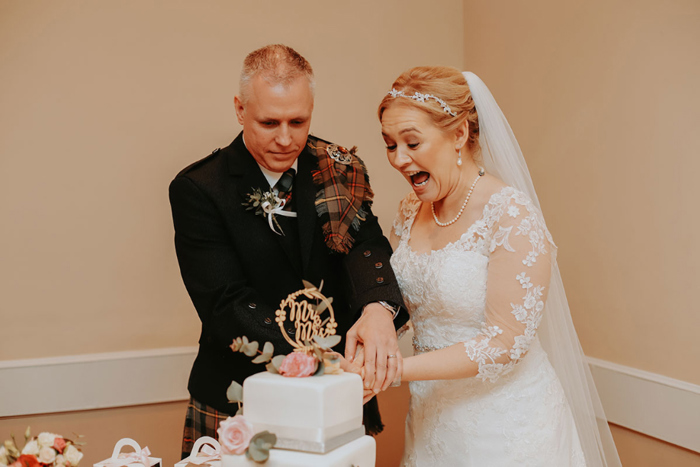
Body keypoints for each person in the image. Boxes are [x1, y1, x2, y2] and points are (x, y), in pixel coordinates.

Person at [372, 67, 621, 465]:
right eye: (389, 145)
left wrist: (393, 370)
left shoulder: (510, 214)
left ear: (459, 135)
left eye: (412, 142)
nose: (399, 160)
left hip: (506, 429)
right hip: (432, 421)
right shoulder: (410, 211)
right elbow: (408, 303)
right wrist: (363, 339)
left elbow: (505, 343)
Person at [168, 44, 408, 458]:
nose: (285, 138)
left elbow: (364, 246)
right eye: (269, 122)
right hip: (240, 394)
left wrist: (378, 309)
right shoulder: (200, 188)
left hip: (338, 391)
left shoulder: (338, 167)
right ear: (240, 109)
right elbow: (226, 302)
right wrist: (323, 361)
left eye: (298, 121)